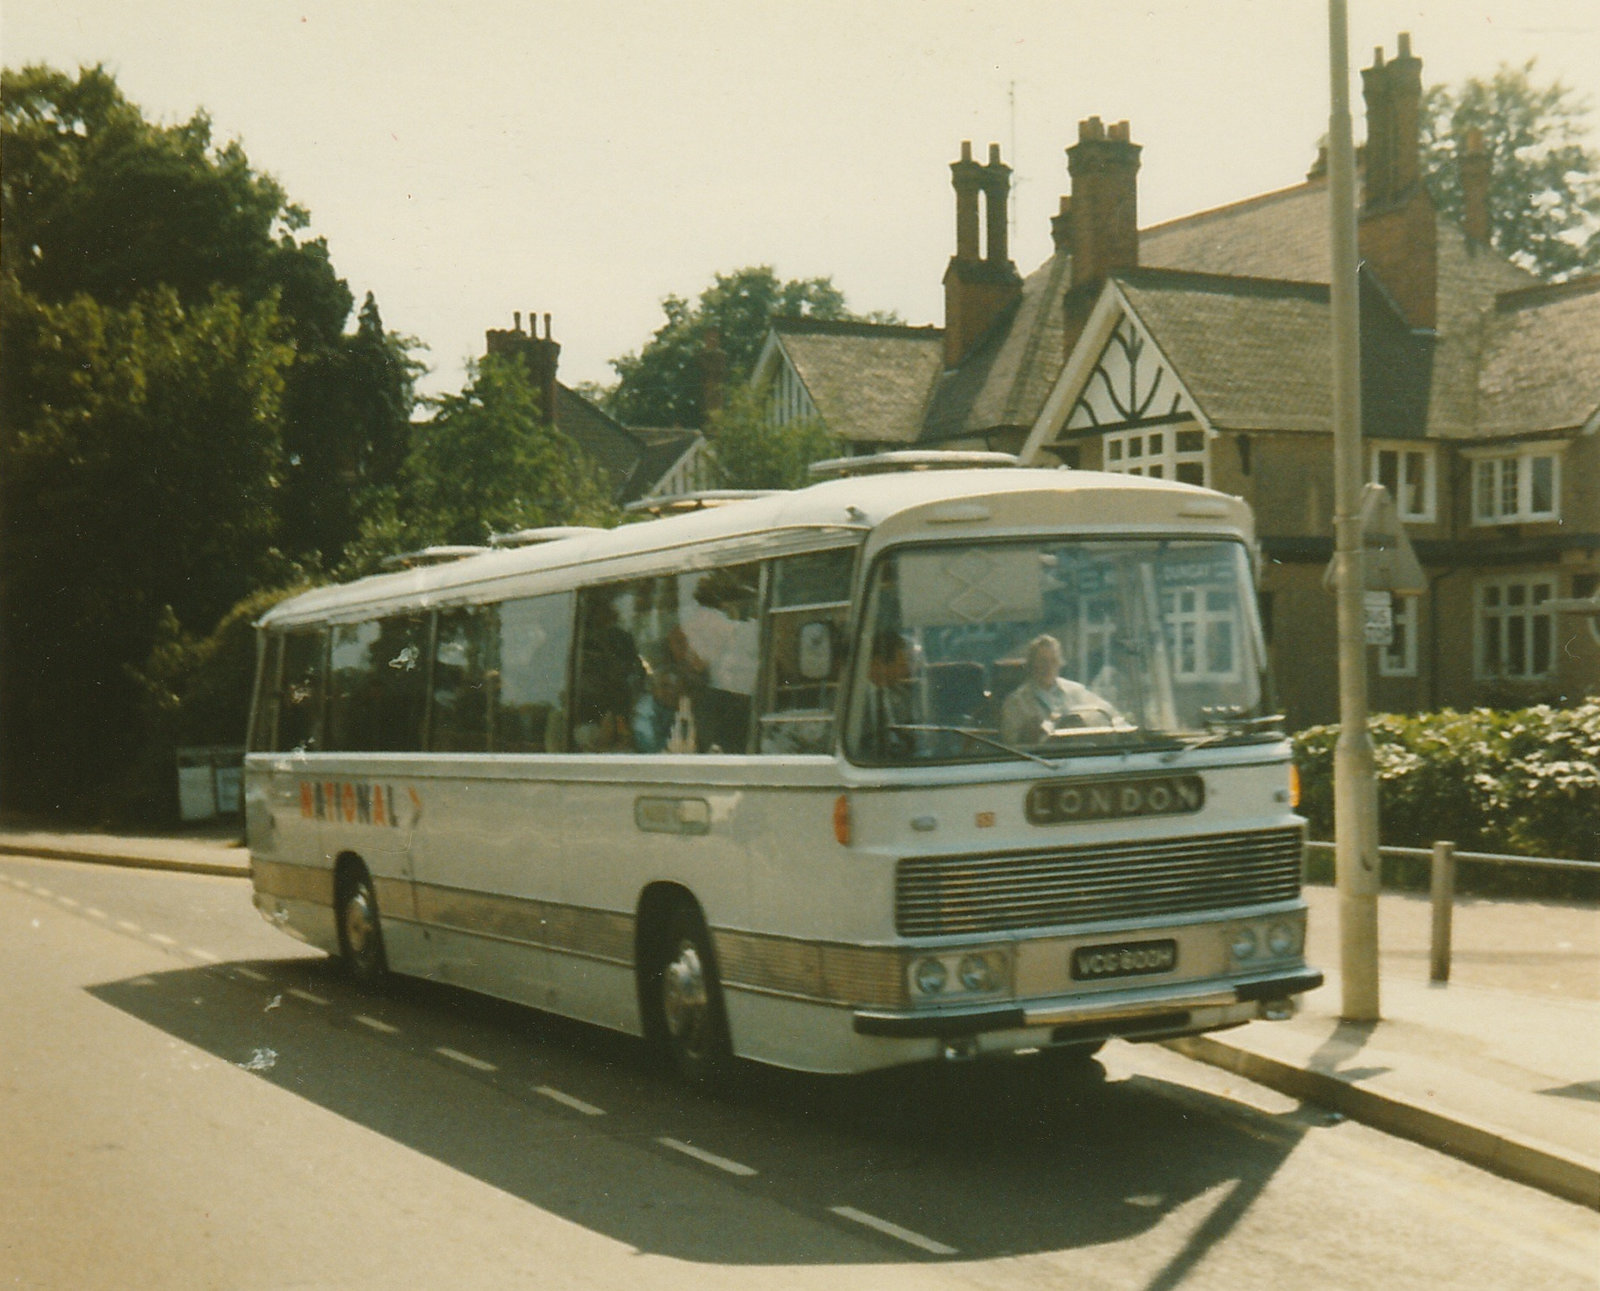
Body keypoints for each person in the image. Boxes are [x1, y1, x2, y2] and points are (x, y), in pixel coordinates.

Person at [999, 633, 1122, 745]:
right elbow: (1011, 745)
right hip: (1041, 762)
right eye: (1042, 661)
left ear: (1060, 663)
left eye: (1053, 661)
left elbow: (1112, 715)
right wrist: (1029, 734)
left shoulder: (1076, 691)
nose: (1048, 667)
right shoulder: (1016, 702)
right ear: (1031, 664)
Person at [859, 629, 916, 759]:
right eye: (900, 665)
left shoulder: (902, 695)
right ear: (878, 664)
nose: (906, 670)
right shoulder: (852, 700)